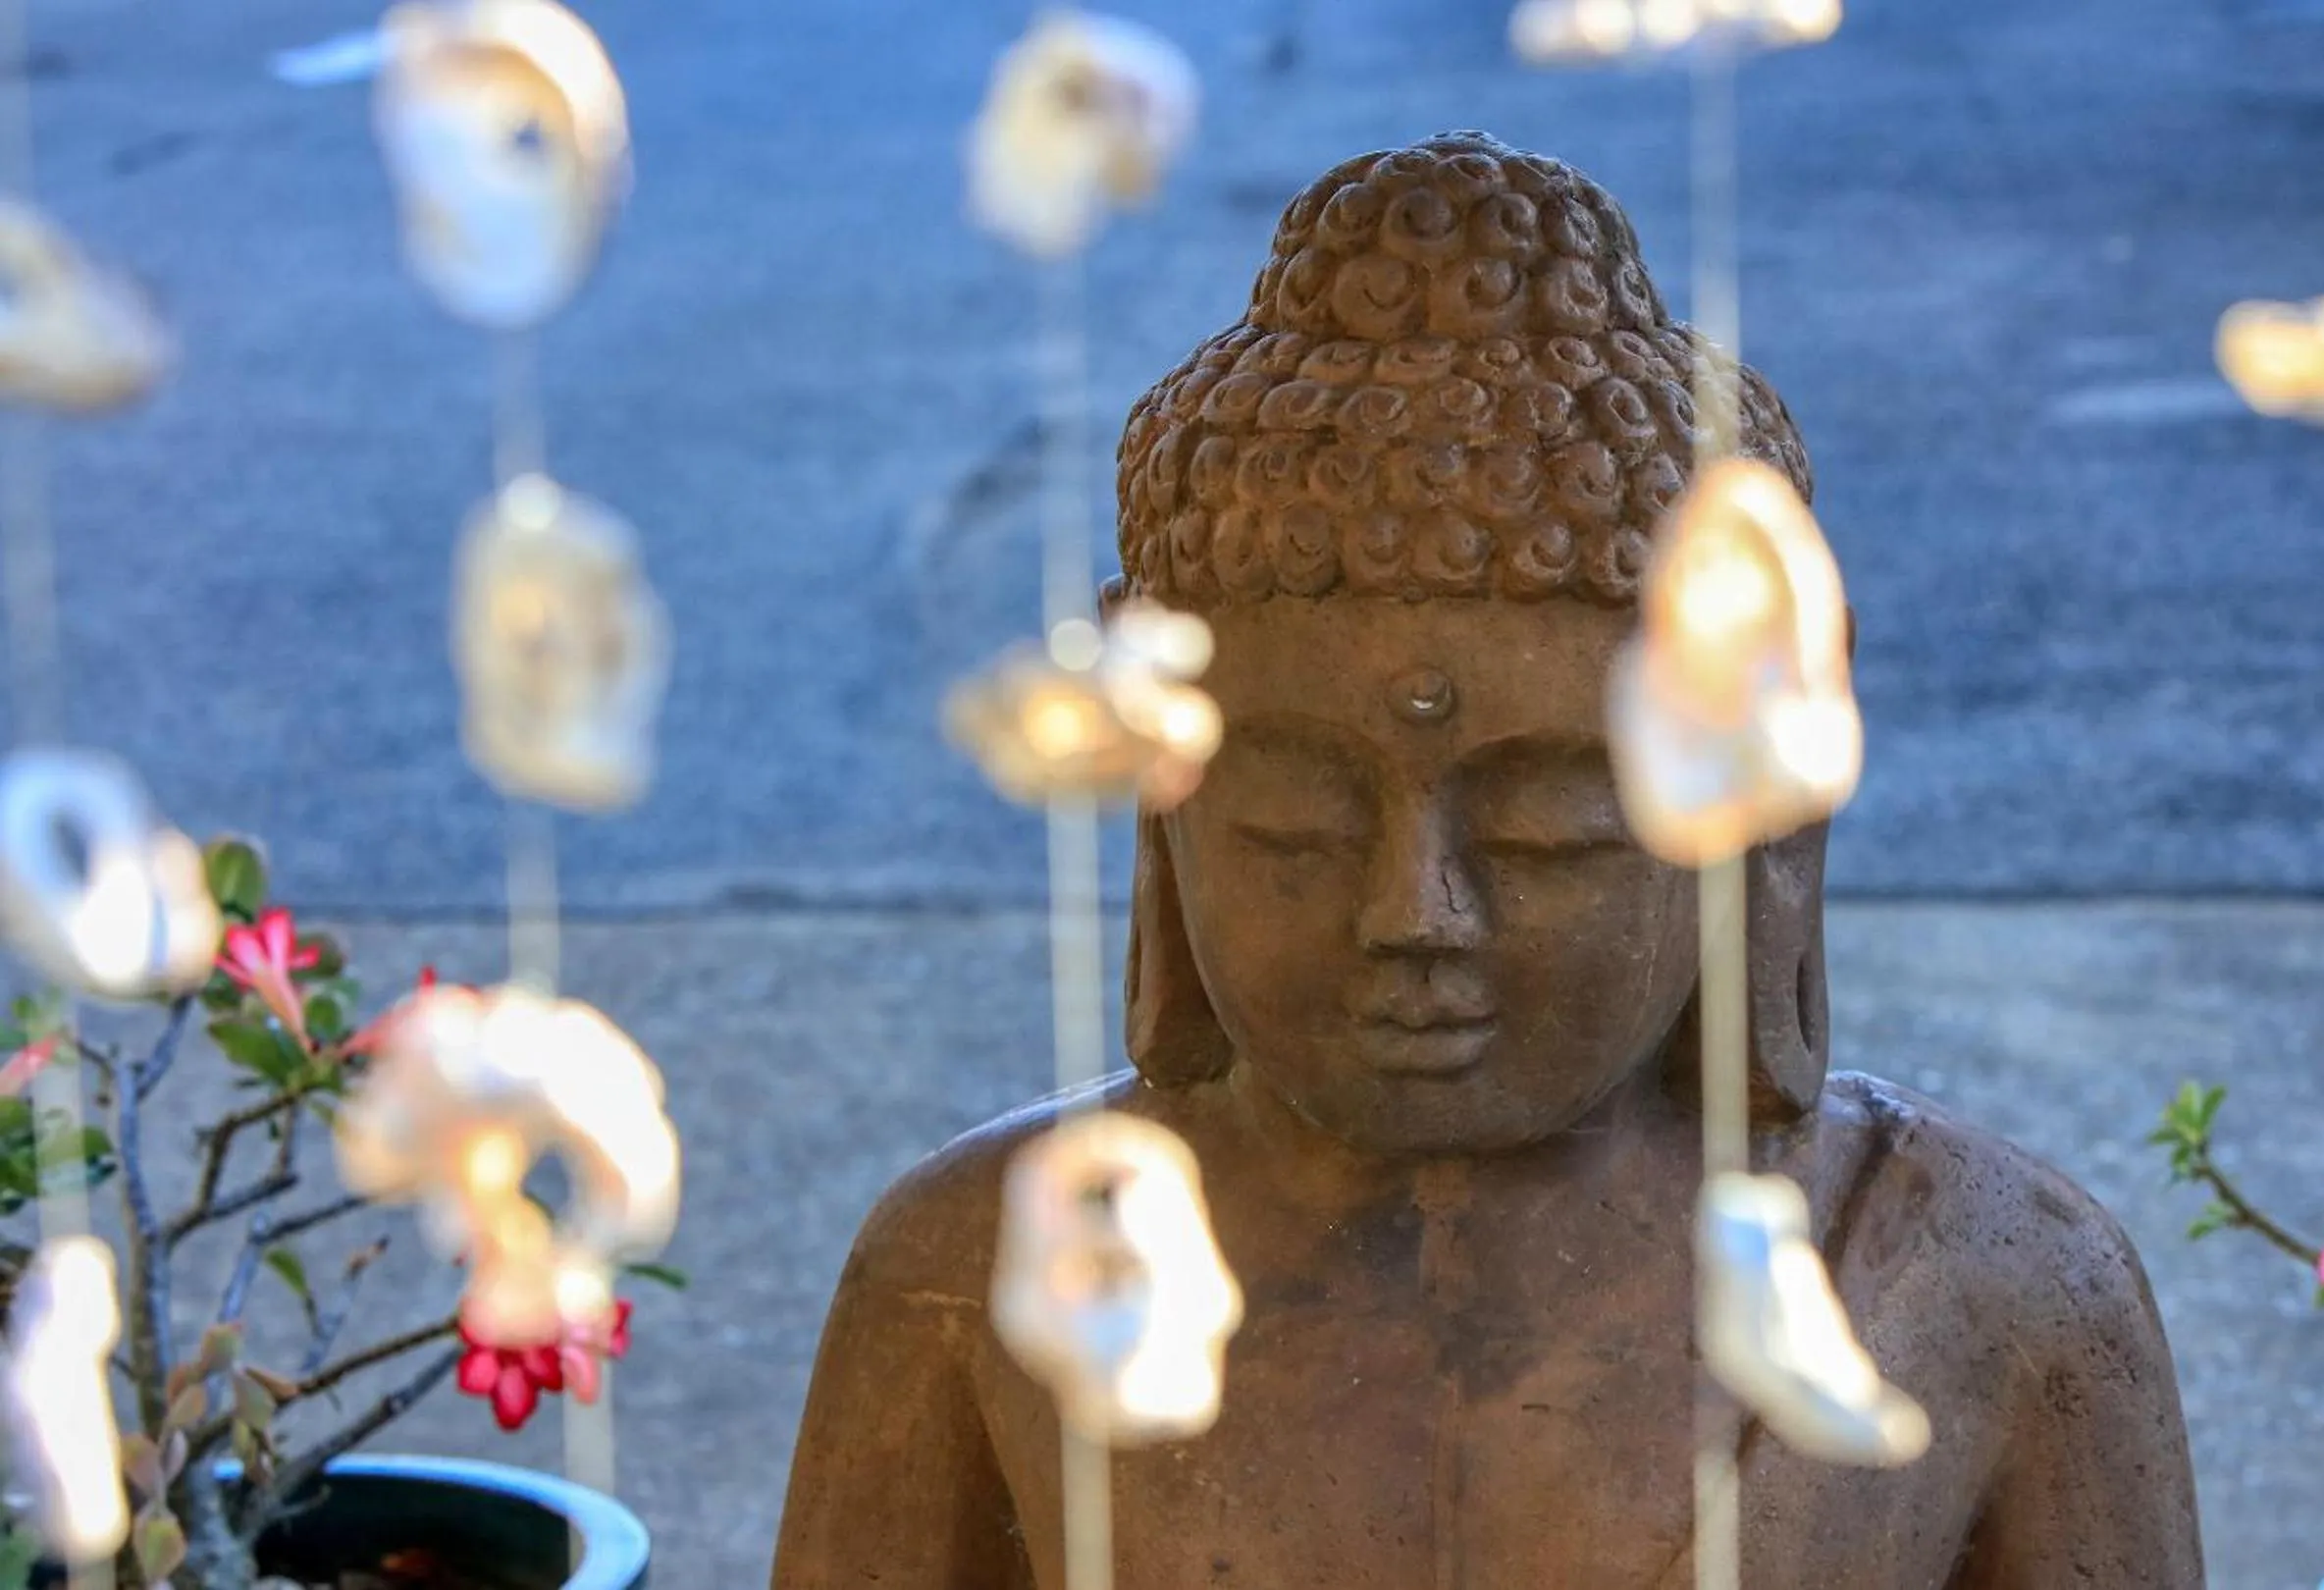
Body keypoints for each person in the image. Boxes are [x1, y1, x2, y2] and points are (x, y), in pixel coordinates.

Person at [773, 131, 2202, 1589]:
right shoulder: (969, 1275)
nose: (1414, 916)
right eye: (1295, 826)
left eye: (1546, 830)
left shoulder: (1989, 1286)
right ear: (1164, 797)